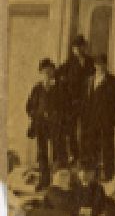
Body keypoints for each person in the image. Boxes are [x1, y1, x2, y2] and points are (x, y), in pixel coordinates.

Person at [79, 53, 115, 181]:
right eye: (97, 64)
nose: (99, 67)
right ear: (94, 66)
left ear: (106, 65)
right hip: (91, 120)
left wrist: (111, 115)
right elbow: (84, 100)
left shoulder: (113, 81)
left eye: (102, 64)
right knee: (92, 147)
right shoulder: (89, 81)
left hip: (106, 120)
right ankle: (94, 173)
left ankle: (108, 173)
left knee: (107, 147)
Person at [55, 35, 94, 167]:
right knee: (71, 130)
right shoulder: (69, 64)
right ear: (73, 49)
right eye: (76, 47)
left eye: (81, 47)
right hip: (72, 103)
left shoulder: (90, 62)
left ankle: (86, 156)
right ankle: (75, 154)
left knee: (86, 129)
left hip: (87, 102)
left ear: (84, 47)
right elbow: (57, 74)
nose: (78, 50)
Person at [26, 58, 62, 190]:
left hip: (56, 125)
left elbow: (66, 107)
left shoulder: (59, 88)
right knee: (42, 152)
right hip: (41, 125)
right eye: (44, 71)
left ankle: (57, 181)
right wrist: (38, 115)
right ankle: (44, 180)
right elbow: (29, 107)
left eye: (50, 70)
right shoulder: (37, 88)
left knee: (57, 152)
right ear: (41, 72)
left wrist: (56, 115)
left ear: (53, 72)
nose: (47, 73)